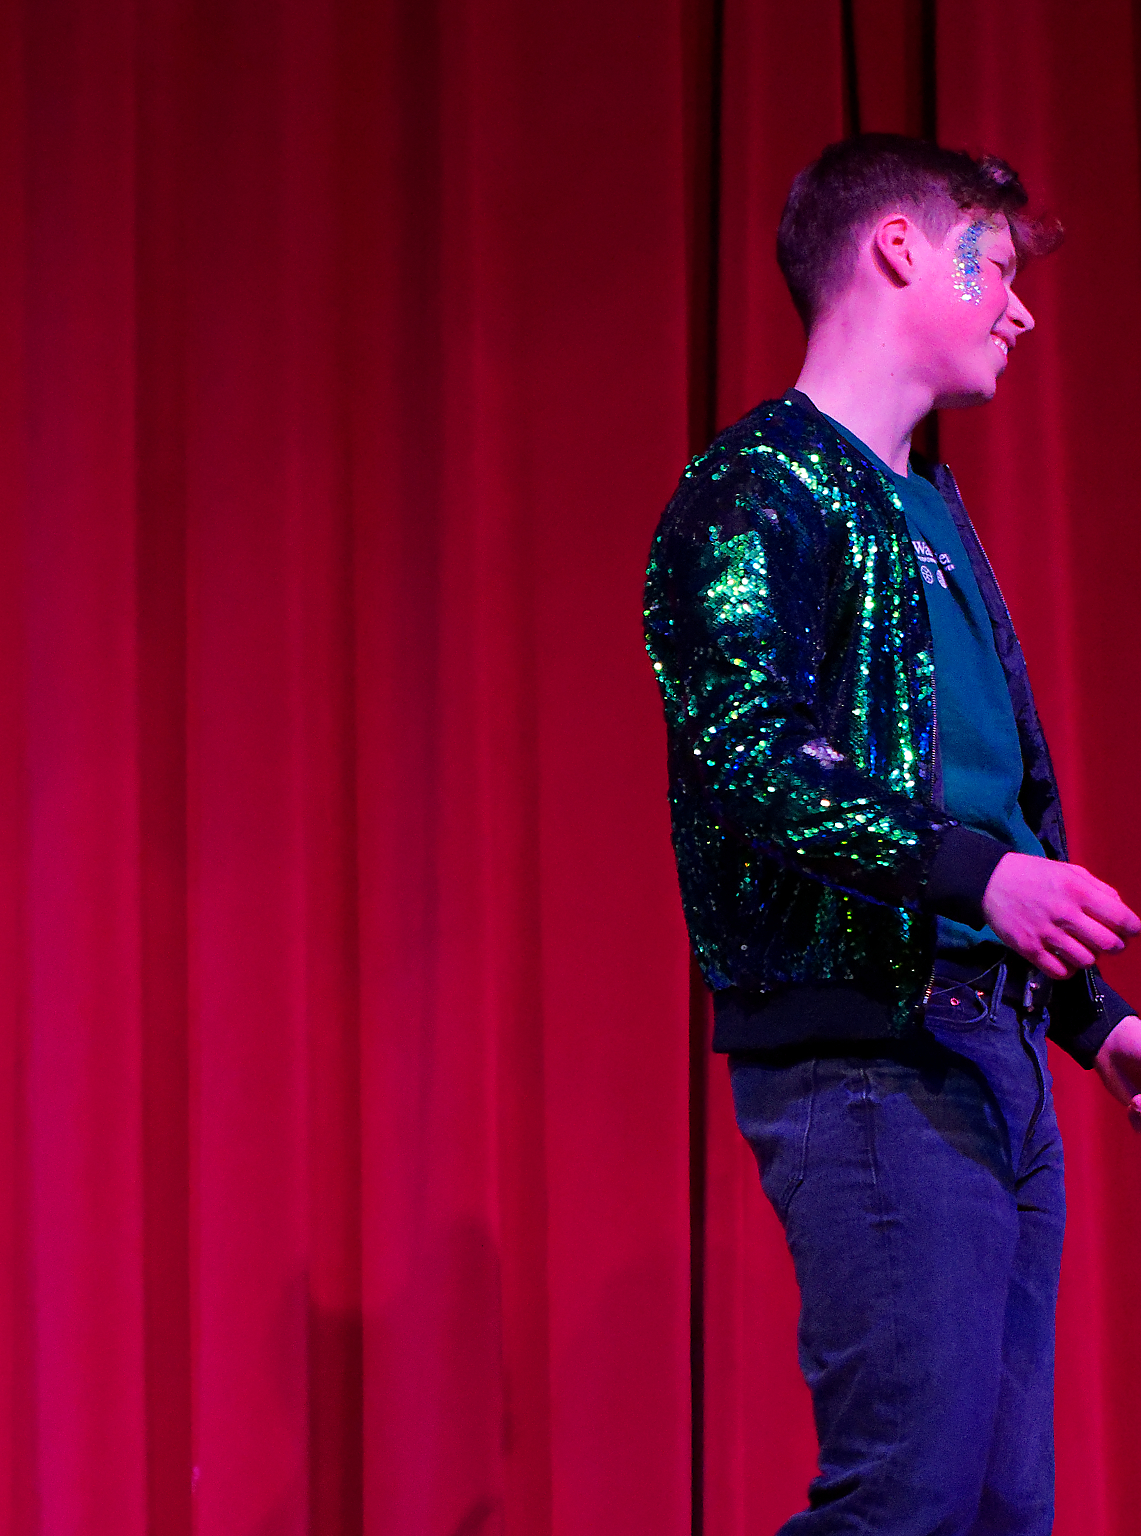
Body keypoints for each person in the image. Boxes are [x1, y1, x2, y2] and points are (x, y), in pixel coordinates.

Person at [646, 134, 1141, 1533]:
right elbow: (747, 755)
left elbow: (989, 799)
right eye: (997, 265)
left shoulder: (932, 512)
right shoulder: (757, 489)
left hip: (994, 1055)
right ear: (901, 248)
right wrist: (985, 879)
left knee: (996, 1508)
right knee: (903, 1502)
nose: (1020, 309)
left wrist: (1093, 1018)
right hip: (873, 1052)